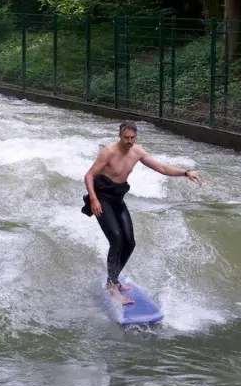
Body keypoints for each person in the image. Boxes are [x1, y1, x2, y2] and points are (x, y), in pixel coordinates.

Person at [82, 121, 201, 304]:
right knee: (116, 237)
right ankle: (113, 287)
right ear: (120, 136)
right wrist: (93, 199)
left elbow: (162, 168)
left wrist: (185, 173)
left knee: (129, 242)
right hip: (102, 198)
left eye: (132, 138)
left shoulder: (137, 152)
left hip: (117, 199)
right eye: (126, 138)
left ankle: (113, 280)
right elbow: (89, 175)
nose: (129, 141)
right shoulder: (108, 152)